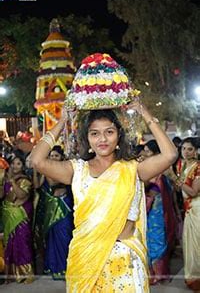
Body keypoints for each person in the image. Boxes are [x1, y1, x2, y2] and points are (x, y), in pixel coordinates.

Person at [30, 96, 177, 292]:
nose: (102, 139)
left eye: (109, 132)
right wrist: (62, 121)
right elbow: (37, 161)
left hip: (125, 259)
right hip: (86, 258)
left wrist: (144, 113)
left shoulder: (133, 169)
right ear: (88, 138)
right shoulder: (77, 170)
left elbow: (170, 155)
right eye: (95, 133)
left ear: (118, 136)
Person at [143, 139, 176, 285]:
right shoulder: (149, 167)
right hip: (151, 210)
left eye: (148, 151)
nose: (145, 153)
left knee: (157, 240)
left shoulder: (161, 168)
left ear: (156, 153)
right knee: (149, 239)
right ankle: (152, 273)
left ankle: (159, 273)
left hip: (158, 211)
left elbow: (159, 189)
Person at [42, 145, 74, 279]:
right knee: (53, 237)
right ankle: (56, 268)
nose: (53, 158)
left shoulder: (67, 169)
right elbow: (39, 185)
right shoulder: (46, 170)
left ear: (61, 157)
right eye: (51, 156)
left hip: (64, 206)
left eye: (56, 156)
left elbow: (56, 182)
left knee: (65, 236)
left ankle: (69, 268)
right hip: (51, 207)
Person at [1, 155, 34, 284]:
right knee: (9, 244)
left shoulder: (25, 180)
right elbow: (2, 196)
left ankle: (25, 273)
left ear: (23, 166)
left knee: (22, 243)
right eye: (13, 163)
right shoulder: (6, 179)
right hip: (8, 214)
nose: (15, 166)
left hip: (20, 217)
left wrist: (13, 182)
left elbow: (21, 195)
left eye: (18, 164)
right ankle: (12, 274)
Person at [175, 137, 200, 291]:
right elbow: (181, 191)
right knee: (189, 244)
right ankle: (193, 278)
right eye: (183, 148)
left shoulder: (198, 167)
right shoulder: (182, 165)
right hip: (188, 209)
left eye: (190, 149)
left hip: (197, 209)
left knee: (198, 244)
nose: (186, 152)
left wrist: (176, 181)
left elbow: (193, 191)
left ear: (196, 151)